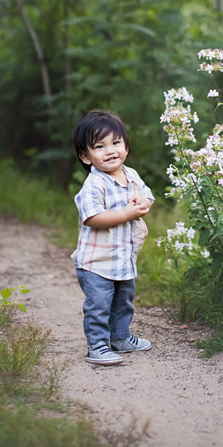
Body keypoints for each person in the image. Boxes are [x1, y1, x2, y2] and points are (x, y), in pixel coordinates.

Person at [71, 109, 154, 366]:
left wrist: (142, 202)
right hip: (97, 262)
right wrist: (126, 213)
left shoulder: (131, 175)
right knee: (99, 305)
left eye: (115, 143)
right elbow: (92, 218)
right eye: (99, 146)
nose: (110, 151)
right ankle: (97, 346)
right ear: (86, 157)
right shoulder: (94, 184)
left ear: (126, 147)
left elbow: (147, 197)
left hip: (123, 258)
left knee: (123, 301)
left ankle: (120, 337)